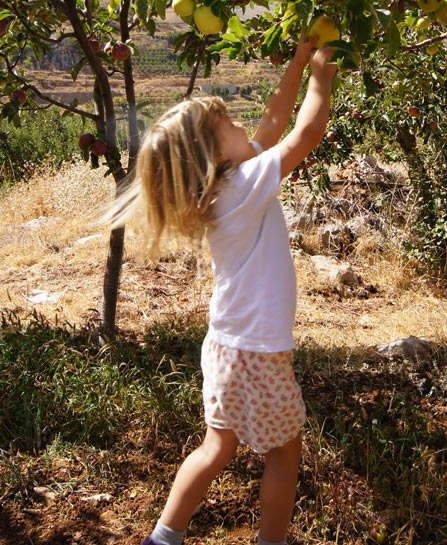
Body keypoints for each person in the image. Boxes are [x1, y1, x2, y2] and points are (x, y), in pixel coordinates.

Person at [117, 34, 338, 545]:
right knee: (284, 452)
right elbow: (304, 132)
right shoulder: (245, 185)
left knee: (216, 448)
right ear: (214, 149)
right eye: (229, 123)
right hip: (259, 351)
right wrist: (323, 72)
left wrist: (300, 60)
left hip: (225, 346)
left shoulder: (227, 184)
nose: (244, 123)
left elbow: (276, 118)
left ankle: (163, 537)